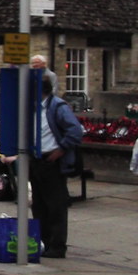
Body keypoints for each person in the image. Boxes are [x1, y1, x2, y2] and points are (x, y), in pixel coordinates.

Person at [31, 74, 84, 258]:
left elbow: (76, 131)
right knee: (39, 206)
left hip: (51, 161)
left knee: (55, 207)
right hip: (35, 160)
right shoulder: (33, 108)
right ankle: (44, 242)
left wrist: (61, 149)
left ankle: (57, 246)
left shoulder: (57, 107)